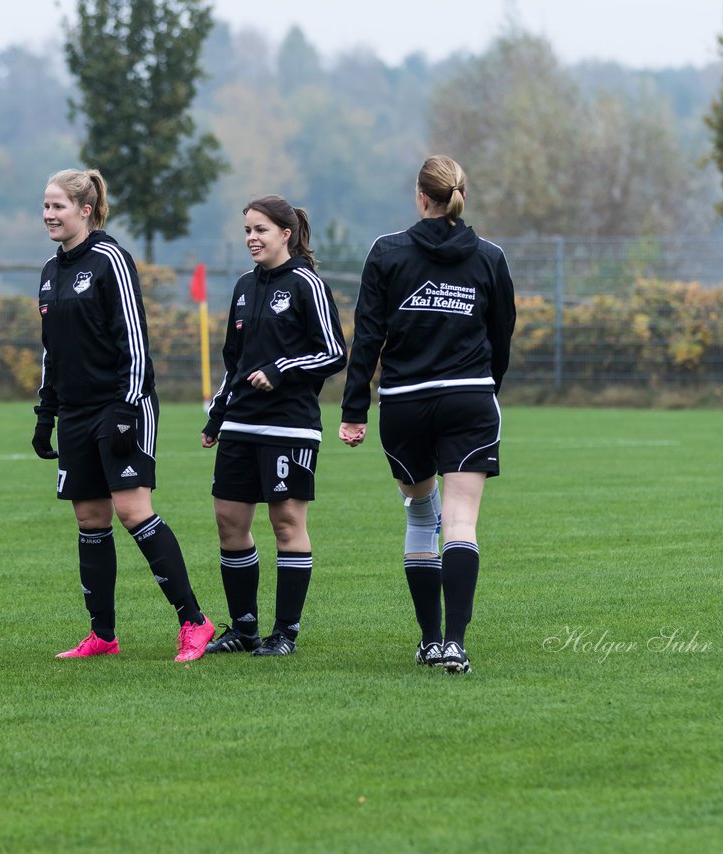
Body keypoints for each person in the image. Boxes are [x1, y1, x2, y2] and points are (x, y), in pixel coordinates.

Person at [338, 155, 516, 675]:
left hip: (404, 404)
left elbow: (367, 336)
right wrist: (487, 388)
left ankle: (431, 641)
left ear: (420, 196)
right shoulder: (489, 256)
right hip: (469, 400)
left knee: (421, 516)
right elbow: (500, 335)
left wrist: (354, 411)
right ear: (461, 194)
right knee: (461, 523)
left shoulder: (387, 252)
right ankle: (456, 645)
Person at [31, 167, 215, 662]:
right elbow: (53, 350)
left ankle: (196, 623)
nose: (49, 215)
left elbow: (135, 340)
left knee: (134, 511)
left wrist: (125, 409)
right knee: (90, 518)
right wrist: (45, 413)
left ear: (84, 210)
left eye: (58, 206)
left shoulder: (110, 258)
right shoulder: (51, 272)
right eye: (45, 206)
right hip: (74, 411)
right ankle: (103, 635)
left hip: (121, 407)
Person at [200, 195, 347, 656]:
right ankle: (244, 630)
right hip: (241, 423)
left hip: (290, 426)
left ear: (286, 234)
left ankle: (285, 633)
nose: (251, 239)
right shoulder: (244, 286)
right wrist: (218, 415)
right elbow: (233, 360)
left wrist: (282, 369)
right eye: (247, 230)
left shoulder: (306, 284)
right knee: (229, 521)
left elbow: (334, 352)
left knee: (286, 523)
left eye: (260, 230)